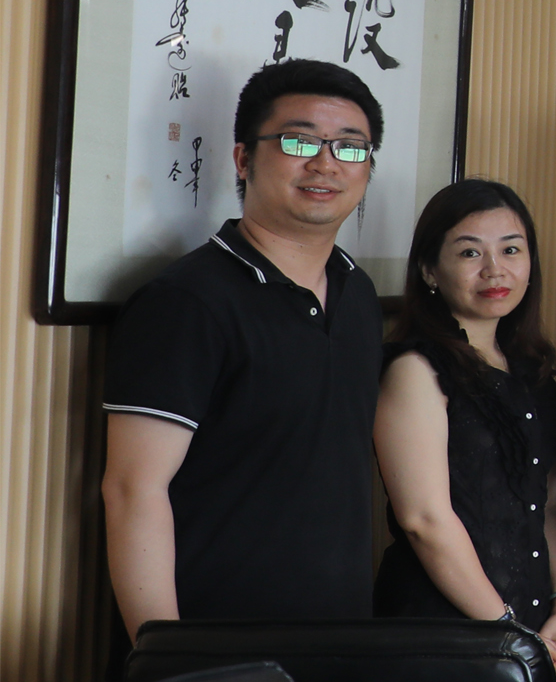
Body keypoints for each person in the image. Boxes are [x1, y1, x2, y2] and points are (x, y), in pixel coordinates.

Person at [103, 59, 388, 641]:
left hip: (341, 643)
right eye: (299, 141)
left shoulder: (357, 293)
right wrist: (166, 657)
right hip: (216, 651)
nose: (326, 163)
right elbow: (133, 490)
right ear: (243, 159)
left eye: (349, 147)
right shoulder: (186, 302)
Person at [372, 180, 556, 669]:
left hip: (529, 625)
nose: (495, 269)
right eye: (470, 252)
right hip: (444, 632)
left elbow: (549, 498)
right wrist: (508, 631)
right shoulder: (414, 369)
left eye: (511, 249)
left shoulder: (530, 369)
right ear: (429, 270)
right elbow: (424, 520)